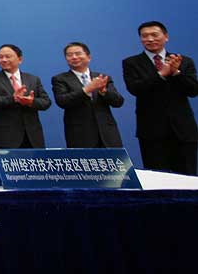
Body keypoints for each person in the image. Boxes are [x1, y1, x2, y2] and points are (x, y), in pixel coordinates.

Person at [122, 21, 198, 175]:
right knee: (157, 177)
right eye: (145, 36)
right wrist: (161, 74)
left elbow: (193, 90)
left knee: (187, 177)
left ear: (166, 37)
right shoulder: (131, 63)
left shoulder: (183, 61)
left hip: (183, 130)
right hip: (151, 131)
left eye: (154, 35)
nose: (150, 39)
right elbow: (135, 89)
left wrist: (176, 73)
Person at [51, 42, 124, 148]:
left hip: (107, 133)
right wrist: (87, 90)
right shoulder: (60, 79)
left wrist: (103, 91)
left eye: (78, 53)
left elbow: (118, 102)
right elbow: (62, 101)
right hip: (80, 134)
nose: (74, 57)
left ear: (88, 57)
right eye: (69, 55)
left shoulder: (102, 77)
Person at [0, 44, 51, 148]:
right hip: (6, 136)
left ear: (20, 59)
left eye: (8, 56)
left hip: (32, 136)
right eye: (0, 57)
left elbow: (46, 102)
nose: (3, 60)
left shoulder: (33, 79)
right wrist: (13, 98)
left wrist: (31, 102)